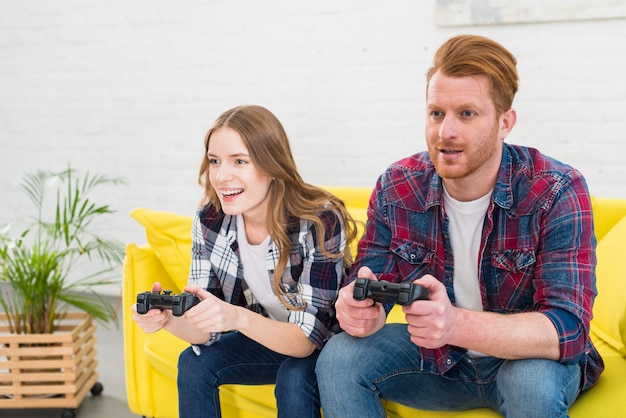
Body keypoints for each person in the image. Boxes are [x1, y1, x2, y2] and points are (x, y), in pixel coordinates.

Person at [315, 34, 603, 418]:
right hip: (441, 363)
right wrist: (360, 310)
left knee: (528, 385)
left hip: (524, 363)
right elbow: (370, 279)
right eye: (436, 113)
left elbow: (567, 329)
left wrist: (455, 325)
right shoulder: (397, 186)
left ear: (505, 122)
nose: (444, 132)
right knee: (339, 358)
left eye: (466, 114)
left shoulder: (555, 190)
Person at [132, 104, 359, 418]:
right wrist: (168, 320)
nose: (222, 176)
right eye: (215, 161)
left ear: (271, 164)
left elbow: (307, 341)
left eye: (239, 161)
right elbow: (206, 327)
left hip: (324, 345)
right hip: (264, 337)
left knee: (294, 377)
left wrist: (235, 318)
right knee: (194, 363)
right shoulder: (211, 219)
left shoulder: (318, 221)